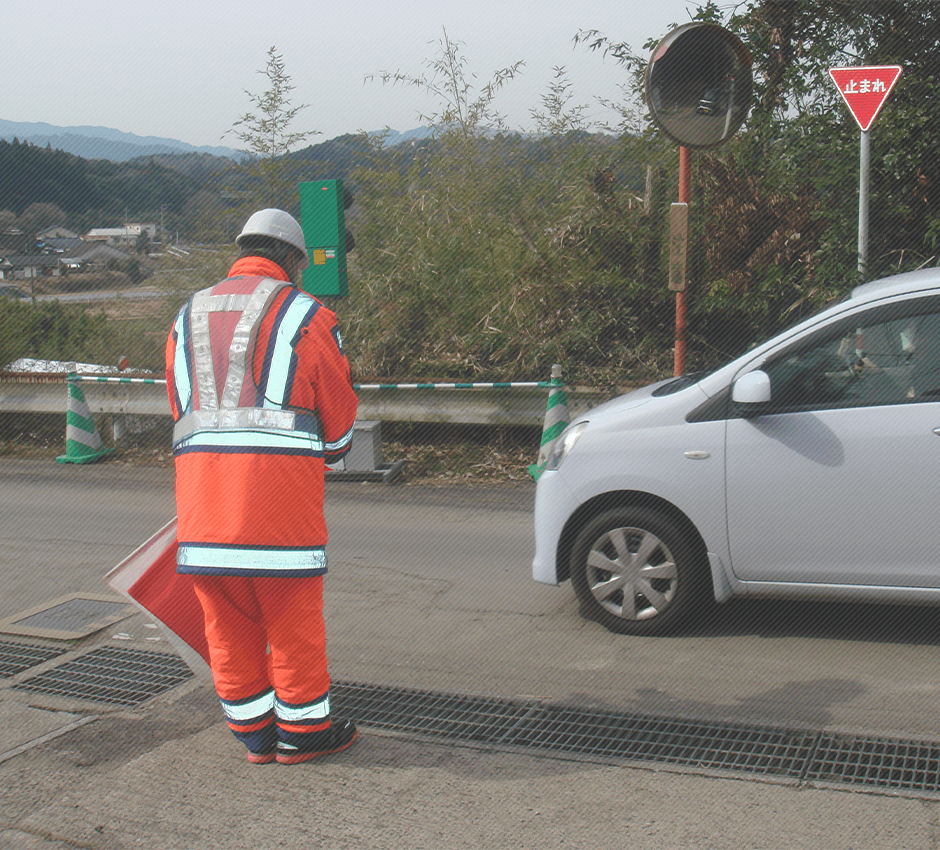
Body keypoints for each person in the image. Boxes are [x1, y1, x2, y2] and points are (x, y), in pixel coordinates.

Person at [164, 208, 359, 765]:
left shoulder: (186, 314)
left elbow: (182, 410)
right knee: (292, 623)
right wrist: (333, 447)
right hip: (278, 511)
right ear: (294, 260)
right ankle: (302, 735)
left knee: (226, 625)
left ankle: (254, 736)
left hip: (203, 505)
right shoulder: (306, 313)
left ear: (242, 248)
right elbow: (339, 424)